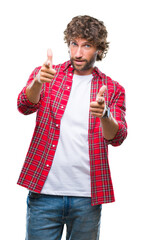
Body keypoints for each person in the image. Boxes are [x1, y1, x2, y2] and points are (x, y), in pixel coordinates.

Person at [17, 15, 127, 240]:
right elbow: (24, 106)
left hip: (86, 198)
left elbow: (117, 137)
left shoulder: (112, 88)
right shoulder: (47, 74)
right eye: (74, 44)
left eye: (86, 45)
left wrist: (104, 115)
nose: (78, 53)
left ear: (98, 49)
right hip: (44, 194)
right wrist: (38, 81)